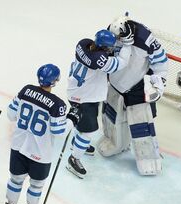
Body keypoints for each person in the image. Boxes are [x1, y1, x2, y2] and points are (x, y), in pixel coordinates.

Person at [97, 14, 168, 175]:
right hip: (115, 85)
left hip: (136, 88)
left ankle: (149, 159)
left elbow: (161, 62)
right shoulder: (111, 30)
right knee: (110, 118)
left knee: (141, 126)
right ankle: (114, 144)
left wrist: (158, 83)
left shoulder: (144, 38)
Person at [5, 64, 68, 204]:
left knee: (15, 180)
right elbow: (59, 131)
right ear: (55, 82)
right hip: (40, 152)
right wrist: (72, 120)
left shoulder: (26, 90)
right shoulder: (57, 104)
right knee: (36, 185)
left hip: (18, 146)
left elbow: (11, 115)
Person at [66, 29, 132, 178]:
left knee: (81, 124)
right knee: (88, 131)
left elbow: (100, 50)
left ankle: (76, 143)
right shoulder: (98, 60)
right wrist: (127, 45)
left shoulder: (83, 44)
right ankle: (74, 159)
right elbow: (121, 63)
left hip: (79, 92)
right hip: (83, 98)